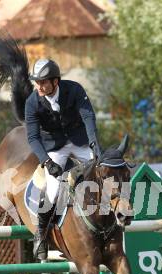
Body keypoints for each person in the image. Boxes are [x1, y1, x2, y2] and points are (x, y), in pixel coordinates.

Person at [25, 58, 101, 260]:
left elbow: (88, 117)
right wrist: (47, 162)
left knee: (101, 171)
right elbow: (32, 137)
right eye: (37, 82)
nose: (39, 86)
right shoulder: (32, 102)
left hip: (79, 141)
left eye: (43, 82)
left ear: (55, 81)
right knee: (53, 189)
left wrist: (94, 143)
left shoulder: (74, 90)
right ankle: (41, 234)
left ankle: (114, 217)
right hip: (54, 147)